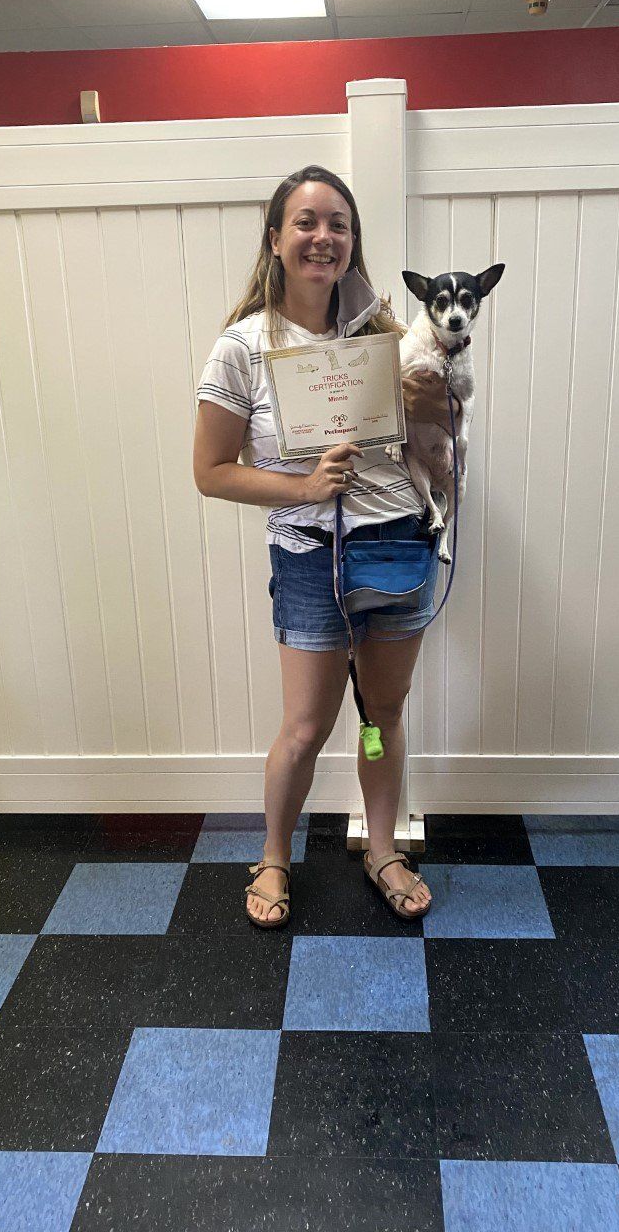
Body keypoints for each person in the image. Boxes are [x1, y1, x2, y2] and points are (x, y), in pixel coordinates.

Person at [193, 164, 458, 926]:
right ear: (275, 238)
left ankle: (383, 848)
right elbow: (211, 472)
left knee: (383, 713)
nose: (323, 237)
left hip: (398, 544)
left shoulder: (388, 334)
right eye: (306, 222)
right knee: (306, 727)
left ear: (352, 241)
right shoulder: (243, 347)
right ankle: (274, 856)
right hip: (311, 556)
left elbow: (439, 440)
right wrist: (305, 488)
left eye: (338, 224)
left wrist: (432, 400)